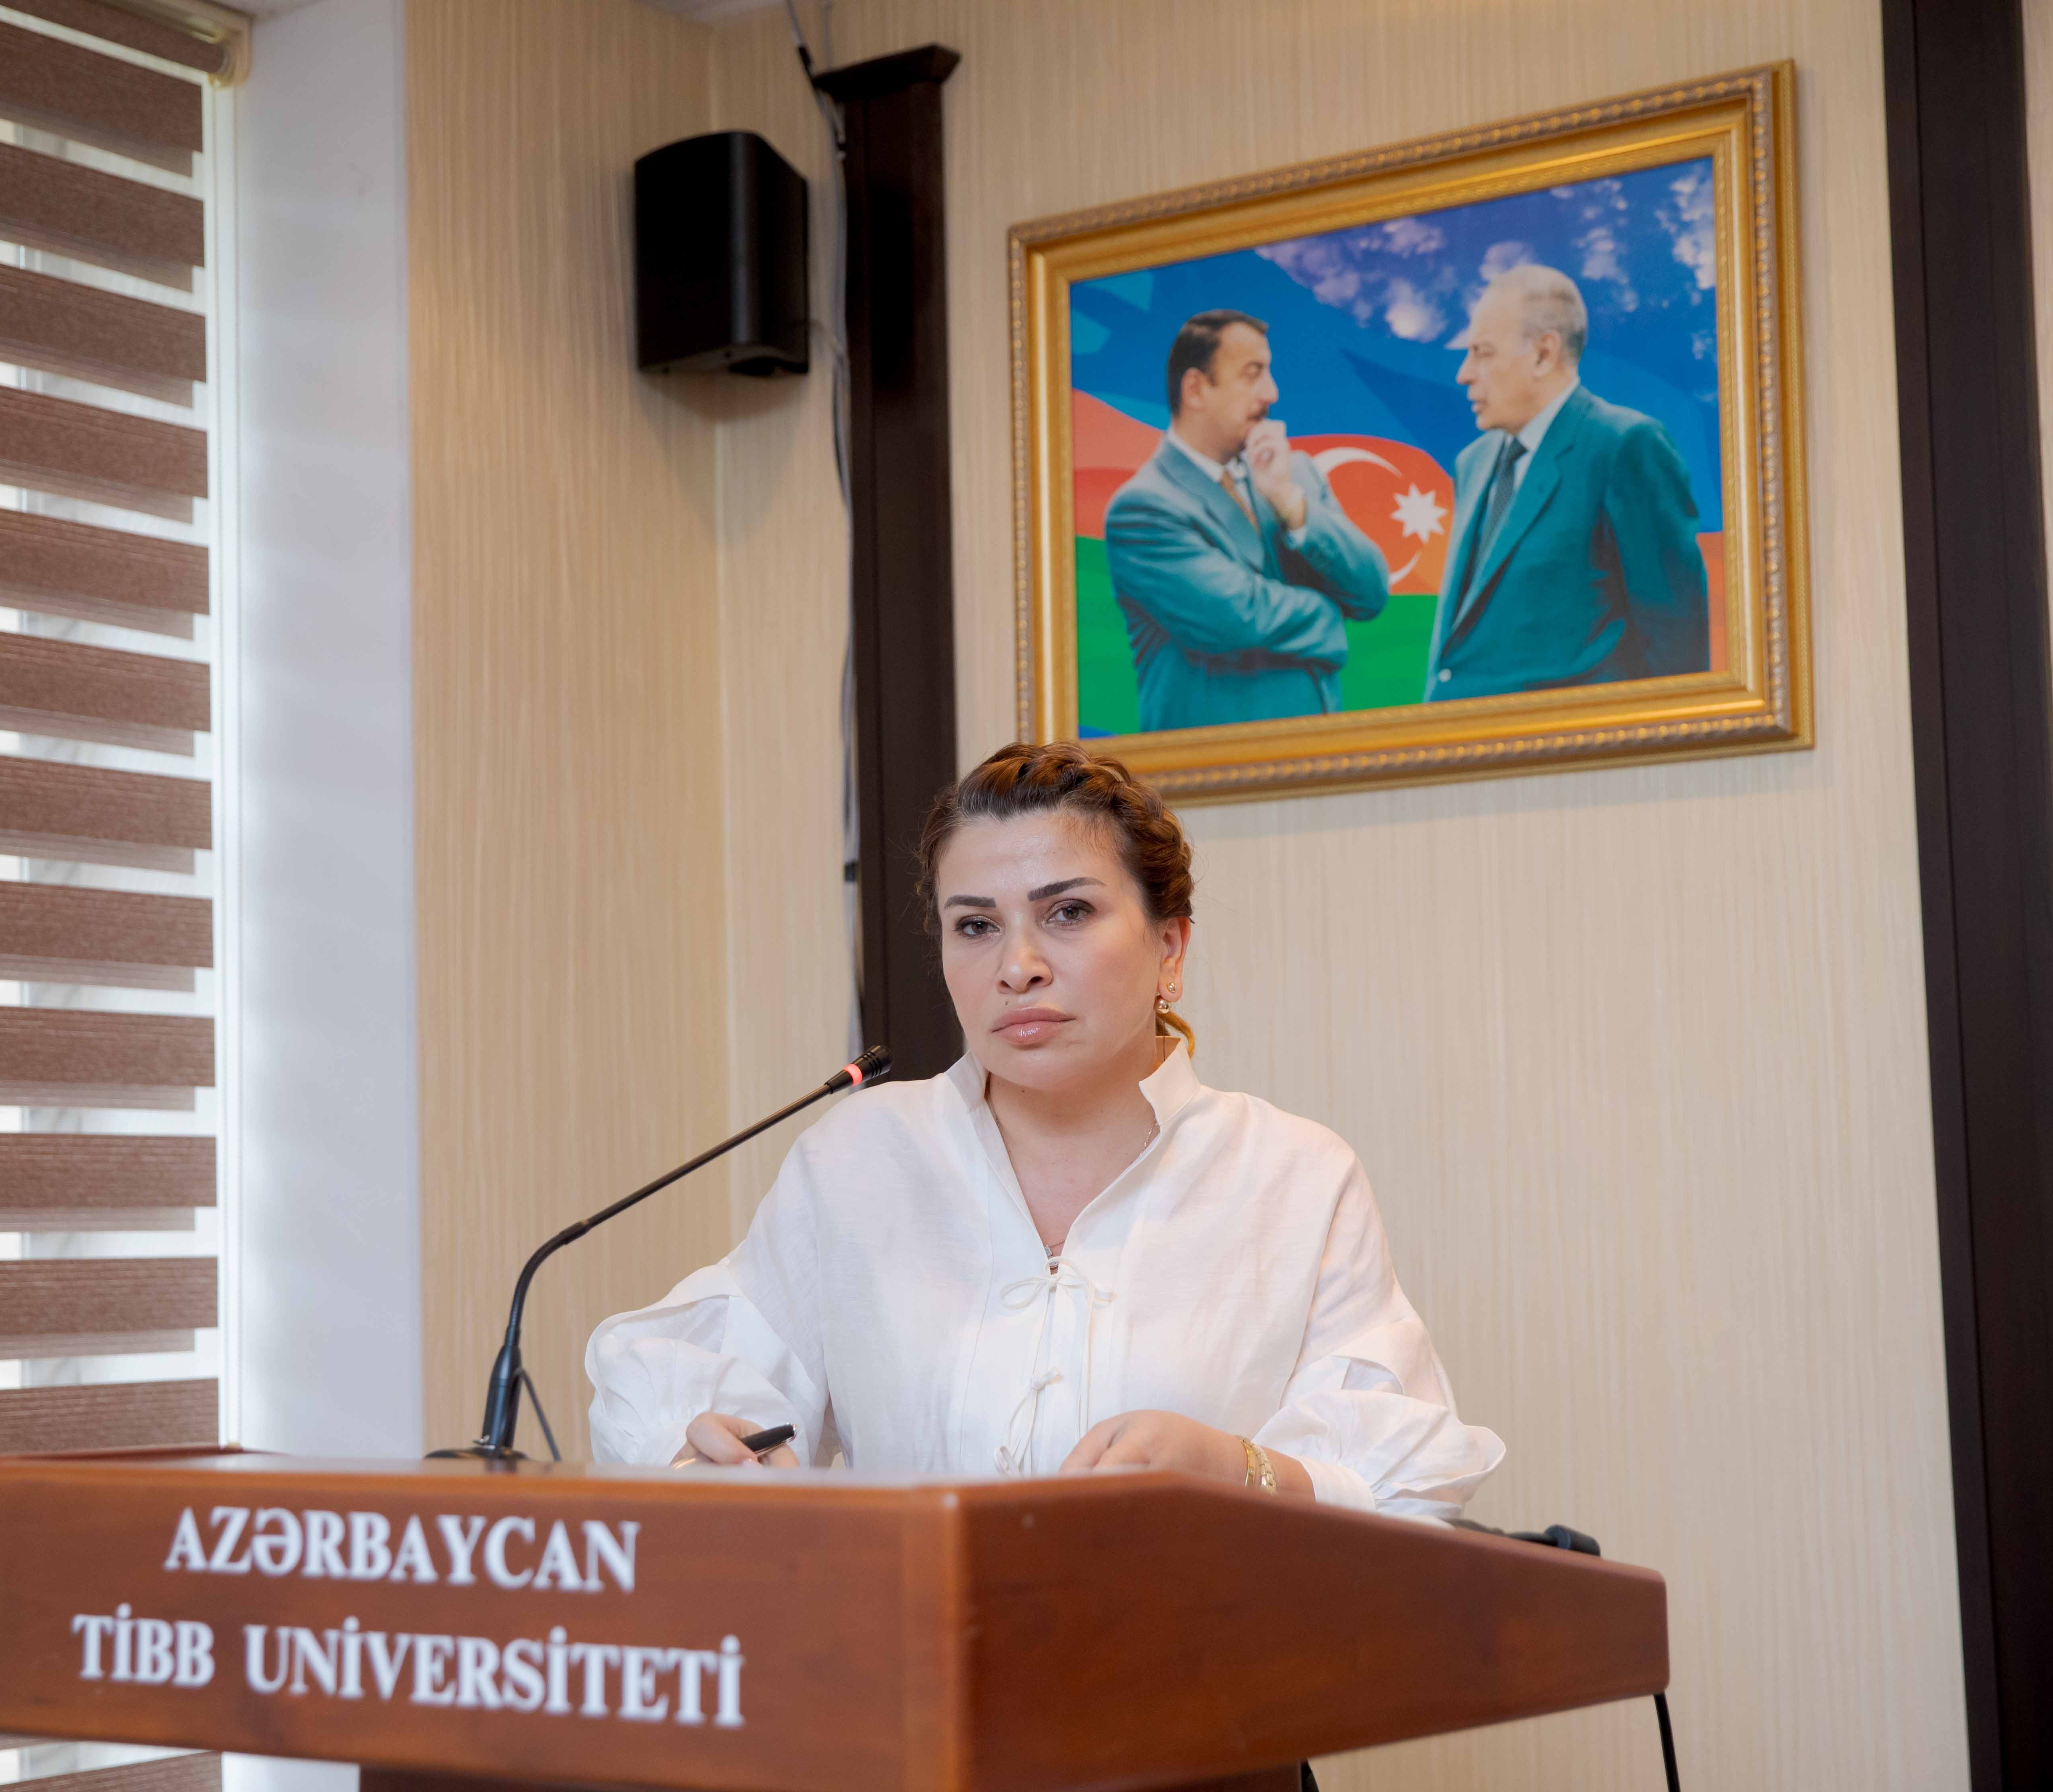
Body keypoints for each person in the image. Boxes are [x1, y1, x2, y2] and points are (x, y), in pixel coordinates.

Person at [588, 741, 1502, 1518]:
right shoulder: (860, 1159)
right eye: (976, 926)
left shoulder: (1293, 1177)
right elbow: (692, 1398)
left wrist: (1235, 1469)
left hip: (1199, 1672)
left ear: (1170, 946)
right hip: (909, 1666)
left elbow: (1408, 1491)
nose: (1017, 966)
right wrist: (705, 1456)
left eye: (1068, 912)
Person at [1425, 265, 1711, 700]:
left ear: (1544, 354)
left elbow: (1676, 641)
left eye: (1483, 353)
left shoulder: (1624, 446)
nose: (1464, 373)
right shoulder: (1473, 463)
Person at [1103, 310, 1392, 734]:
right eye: (1253, 374)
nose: (1272, 392)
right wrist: (1331, 615)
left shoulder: (1296, 475)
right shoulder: (1142, 509)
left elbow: (1371, 592)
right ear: (1196, 389)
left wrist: (1290, 503)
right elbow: (1240, 619)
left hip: (1325, 757)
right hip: (1218, 770)